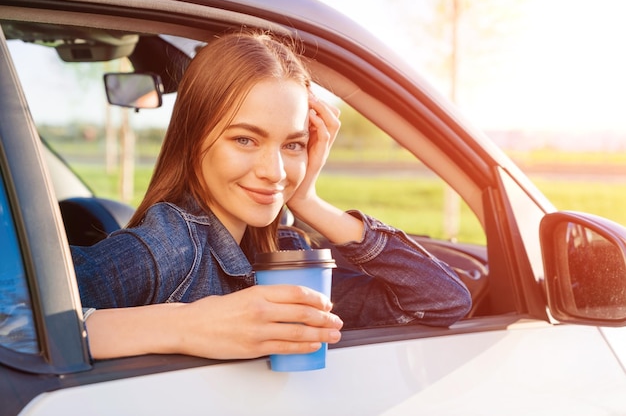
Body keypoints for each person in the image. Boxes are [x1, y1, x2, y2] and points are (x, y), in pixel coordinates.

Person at [72, 31, 471, 361]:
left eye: (293, 145)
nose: (275, 172)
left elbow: (441, 301)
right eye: (245, 139)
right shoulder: (169, 246)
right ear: (193, 141)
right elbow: (19, 317)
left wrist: (308, 201)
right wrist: (184, 325)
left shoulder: (289, 253)